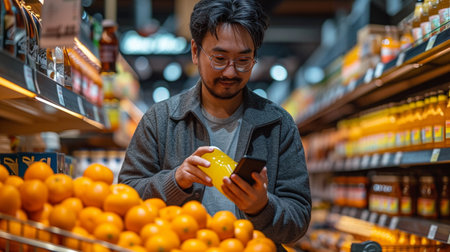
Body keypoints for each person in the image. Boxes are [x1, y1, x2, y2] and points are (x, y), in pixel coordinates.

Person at [119, 0, 311, 249]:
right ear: (196, 52)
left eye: (244, 60)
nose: (230, 72)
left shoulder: (278, 125)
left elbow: (299, 220)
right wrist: (175, 182)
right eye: (219, 58)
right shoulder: (160, 120)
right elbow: (124, 197)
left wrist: (262, 207)